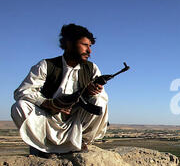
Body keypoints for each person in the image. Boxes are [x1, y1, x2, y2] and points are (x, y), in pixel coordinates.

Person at [11, 23, 109, 157]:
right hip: (48, 116)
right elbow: (22, 92)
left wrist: (92, 92)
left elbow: (102, 97)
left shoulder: (91, 68)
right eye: (85, 45)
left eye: (90, 46)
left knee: (99, 102)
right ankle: (43, 148)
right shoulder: (46, 65)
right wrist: (48, 103)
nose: (89, 51)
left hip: (75, 118)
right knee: (20, 106)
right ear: (69, 44)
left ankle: (80, 142)